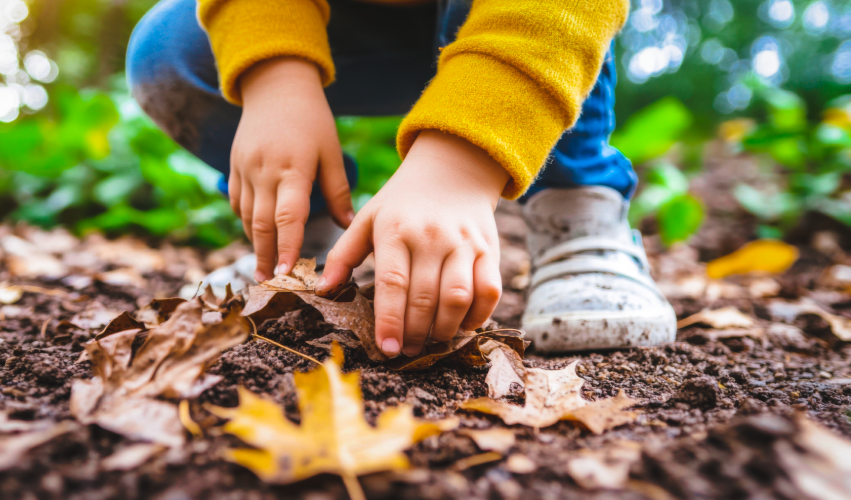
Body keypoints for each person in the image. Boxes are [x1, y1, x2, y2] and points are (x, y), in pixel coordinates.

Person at [126, 0, 677, 356]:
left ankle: (577, 217)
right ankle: (303, 243)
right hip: (352, 20)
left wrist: (456, 168)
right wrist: (274, 73)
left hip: (528, 20)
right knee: (168, 53)